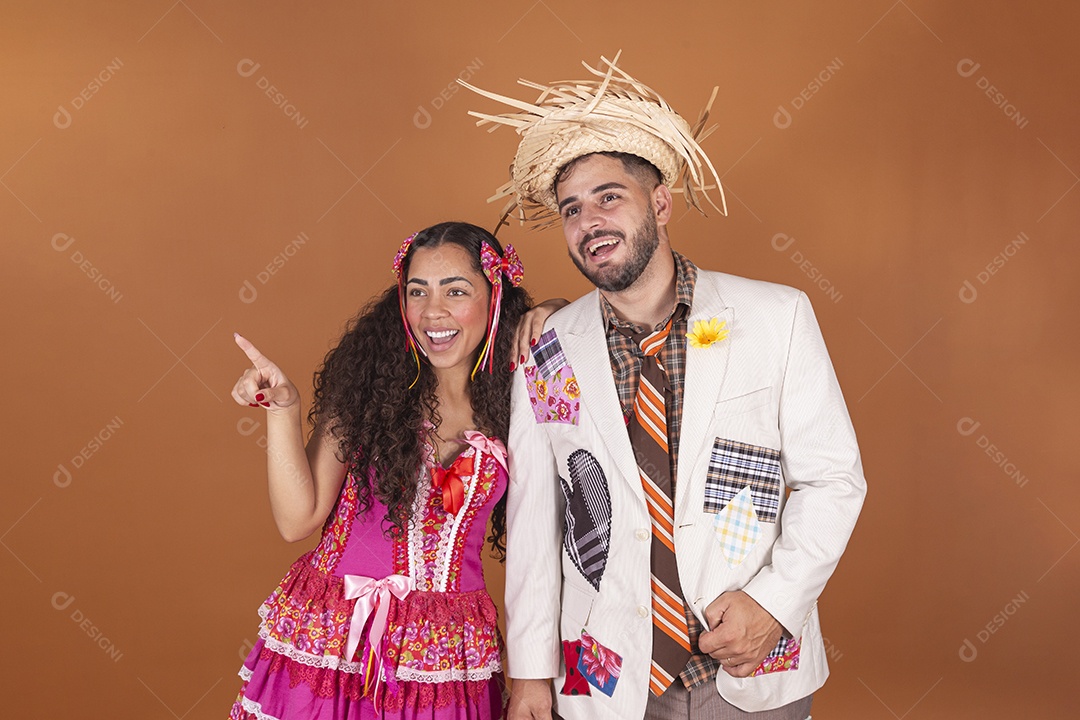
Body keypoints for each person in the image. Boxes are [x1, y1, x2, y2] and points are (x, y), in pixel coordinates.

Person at [462, 54, 867, 720]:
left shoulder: (776, 317)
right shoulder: (549, 350)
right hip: (607, 677)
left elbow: (835, 480)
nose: (589, 221)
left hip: (750, 662)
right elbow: (537, 524)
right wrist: (530, 673)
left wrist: (774, 603)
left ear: (660, 202)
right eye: (571, 210)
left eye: (608, 197)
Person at [226, 221, 538, 719]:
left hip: (446, 654)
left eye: (457, 290)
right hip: (334, 639)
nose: (433, 311)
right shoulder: (368, 388)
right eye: (418, 291)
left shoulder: (520, 396)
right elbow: (297, 520)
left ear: (495, 296)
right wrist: (283, 409)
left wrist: (552, 310)